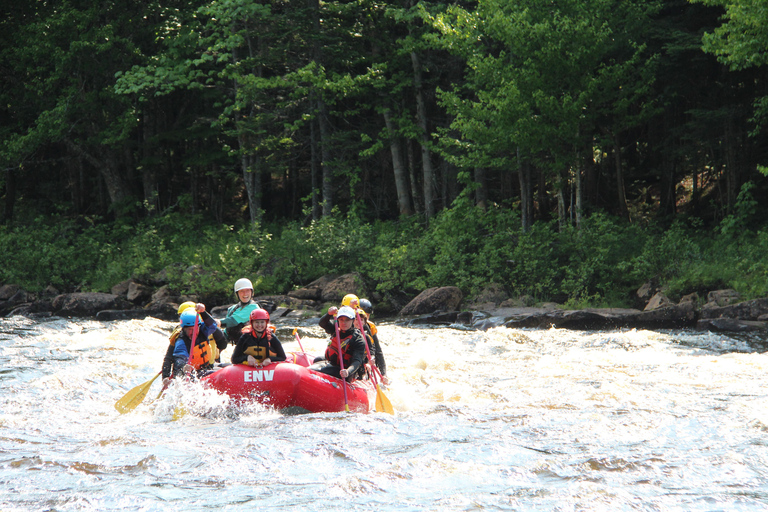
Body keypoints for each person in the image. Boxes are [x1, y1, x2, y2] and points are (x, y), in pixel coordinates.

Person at [161, 303, 227, 387]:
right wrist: (183, 366)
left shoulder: (203, 330)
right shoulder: (181, 341)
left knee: (228, 367)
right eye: (189, 330)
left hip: (206, 368)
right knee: (220, 374)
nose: (192, 333)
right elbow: (179, 359)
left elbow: (213, 326)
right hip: (194, 373)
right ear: (183, 329)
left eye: (194, 329)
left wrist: (203, 312)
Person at [310, 306, 368, 382]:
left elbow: (357, 361)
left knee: (316, 370)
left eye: (347, 320)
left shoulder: (358, 339)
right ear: (338, 320)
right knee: (317, 360)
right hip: (334, 364)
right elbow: (322, 323)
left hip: (346, 371)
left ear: (353, 320)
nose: (344, 323)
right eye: (341, 320)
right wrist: (329, 314)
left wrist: (348, 371)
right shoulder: (336, 330)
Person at [220, 278, 261, 344]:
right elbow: (227, 331)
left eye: (247, 290)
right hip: (240, 345)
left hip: (252, 345)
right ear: (237, 294)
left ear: (251, 292)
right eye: (241, 291)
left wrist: (216, 322)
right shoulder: (232, 309)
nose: (245, 294)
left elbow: (232, 321)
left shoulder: (254, 308)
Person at [358, 298, 388, 382]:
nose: (365, 318)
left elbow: (377, 350)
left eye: (367, 315)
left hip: (364, 360)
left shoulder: (370, 327)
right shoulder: (348, 323)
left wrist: (383, 373)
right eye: (364, 315)